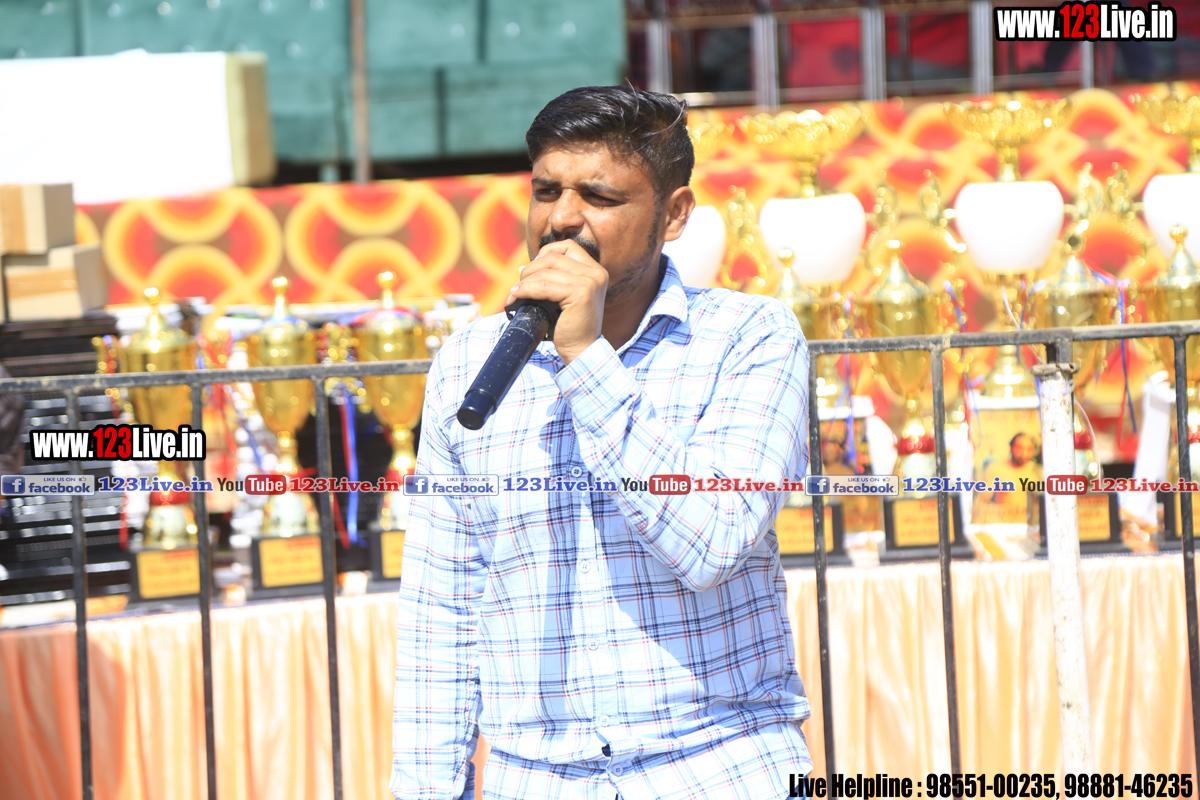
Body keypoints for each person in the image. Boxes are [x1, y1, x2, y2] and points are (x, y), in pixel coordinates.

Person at [392, 86, 813, 800]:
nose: (562, 219)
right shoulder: (468, 364)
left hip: (716, 763)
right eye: (546, 191)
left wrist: (585, 358)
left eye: (599, 196)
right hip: (537, 778)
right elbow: (444, 605)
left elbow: (711, 542)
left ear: (674, 215)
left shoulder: (750, 338)